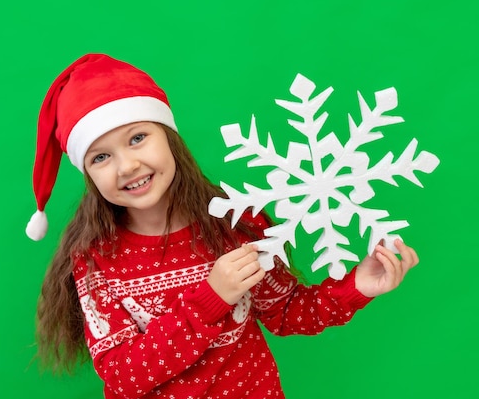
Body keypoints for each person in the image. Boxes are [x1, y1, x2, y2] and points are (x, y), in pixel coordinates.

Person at [25, 53, 419, 399]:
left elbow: (285, 313)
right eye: (100, 157)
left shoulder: (235, 224)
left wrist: (357, 288)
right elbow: (124, 376)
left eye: (138, 138)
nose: (127, 165)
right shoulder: (98, 261)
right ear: (88, 174)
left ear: (170, 138)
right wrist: (212, 298)